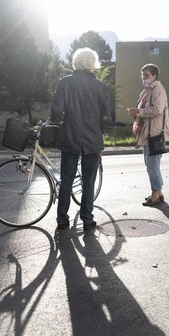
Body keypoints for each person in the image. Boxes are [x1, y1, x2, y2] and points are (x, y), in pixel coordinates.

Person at [49, 47, 111, 231]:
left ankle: (62, 220)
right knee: (88, 181)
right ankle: (87, 219)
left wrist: (57, 121)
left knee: (67, 179)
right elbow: (107, 115)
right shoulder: (101, 86)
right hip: (92, 138)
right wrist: (100, 129)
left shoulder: (65, 82)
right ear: (93, 64)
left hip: (70, 136)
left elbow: (57, 110)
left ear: (76, 63)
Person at [128, 63, 169, 207]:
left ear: (155, 76)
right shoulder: (146, 91)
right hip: (147, 132)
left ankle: (155, 194)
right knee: (151, 165)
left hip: (155, 133)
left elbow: (157, 110)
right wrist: (135, 112)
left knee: (152, 166)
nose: (144, 78)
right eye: (143, 75)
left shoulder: (158, 89)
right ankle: (158, 193)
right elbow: (144, 110)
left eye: (147, 75)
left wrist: (139, 111)